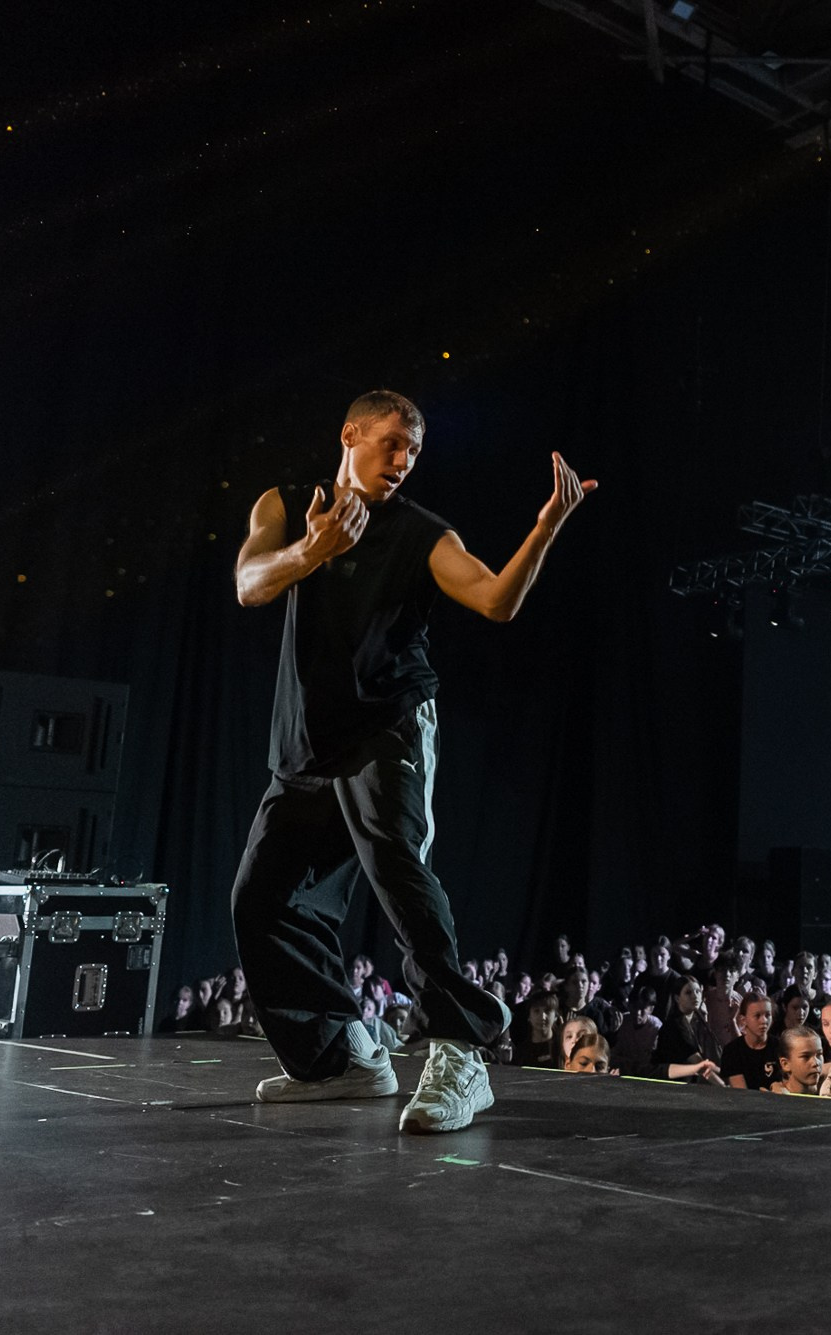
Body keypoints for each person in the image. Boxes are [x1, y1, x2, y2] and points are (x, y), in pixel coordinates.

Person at [228, 389, 596, 1134]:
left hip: (389, 726)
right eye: (392, 442)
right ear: (350, 434)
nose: (403, 460)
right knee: (261, 901)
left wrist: (546, 527)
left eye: (414, 451)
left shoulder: (422, 532)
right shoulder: (287, 502)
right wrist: (314, 549)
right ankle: (343, 1058)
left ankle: (463, 1053)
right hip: (308, 741)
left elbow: (495, 600)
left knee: (398, 868)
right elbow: (249, 584)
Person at [648, 975, 724, 1083]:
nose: (695, 996)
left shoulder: (697, 1019)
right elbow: (699, 1064)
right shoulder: (674, 1026)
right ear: (677, 998)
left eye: (698, 991)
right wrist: (722, 1086)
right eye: (688, 993)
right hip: (670, 1085)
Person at [719, 991, 777, 1091]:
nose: (764, 1021)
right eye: (757, 1016)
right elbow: (741, 1093)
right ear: (743, 1020)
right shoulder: (732, 1051)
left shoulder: (781, 1047)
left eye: (768, 1015)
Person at [771, 1026, 825, 1096]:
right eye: (806, 1056)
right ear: (785, 1064)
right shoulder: (774, 1100)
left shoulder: (829, 1092)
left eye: (819, 1054)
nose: (816, 1063)